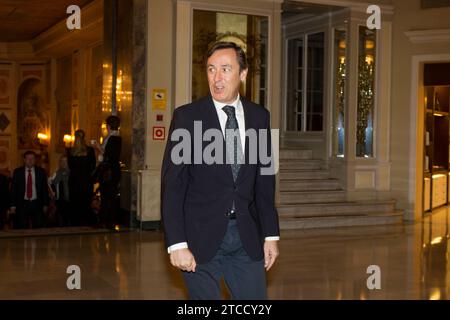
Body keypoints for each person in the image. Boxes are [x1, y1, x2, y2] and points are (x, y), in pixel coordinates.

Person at [161, 41, 280, 300]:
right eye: (211, 69)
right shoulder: (187, 117)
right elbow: (173, 185)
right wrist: (177, 243)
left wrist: (270, 234)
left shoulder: (260, 116)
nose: (217, 78)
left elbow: (266, 180)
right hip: (199, 238)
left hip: (247, 237)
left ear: (243, 73)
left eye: (225, 69)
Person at [92, 115, 122, 229]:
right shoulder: (113, 137)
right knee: (108, 196)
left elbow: (108, 154)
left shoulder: (114, 138)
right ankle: (107, 220)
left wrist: (97, 146)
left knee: (108, 196)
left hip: (109, 171)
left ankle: (107, 220)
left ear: (108, 126)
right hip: (111, 170)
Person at [10, 151, 49, 229]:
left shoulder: (41, 172)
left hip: (37, 204)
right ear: (24, 160)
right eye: (28, 158)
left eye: (32, 158)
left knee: (38, 227)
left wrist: (45, 204)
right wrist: (12, 205)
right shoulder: (17, 172)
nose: (30, 160)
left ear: (35, 160)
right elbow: (13, 190)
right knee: (21, 227)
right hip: (22, 204)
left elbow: (44, 189)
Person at [67, 129, 96, 226]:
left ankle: (75, 225)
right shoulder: (90, 150)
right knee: (86, 205)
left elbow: (70, 166)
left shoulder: (70, 151)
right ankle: (86, 226)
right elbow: (93, 166)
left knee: (75, 206)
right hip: (86, 181)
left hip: (74, 182)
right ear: (84, 138)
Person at [49, 155, 71, 227]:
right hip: (60, 201)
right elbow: (50, 185)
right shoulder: (56, 173)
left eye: (66, 161)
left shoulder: (73, 173)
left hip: (71, 201)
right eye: (62, 161)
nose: (64, 163)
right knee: (61, 223)